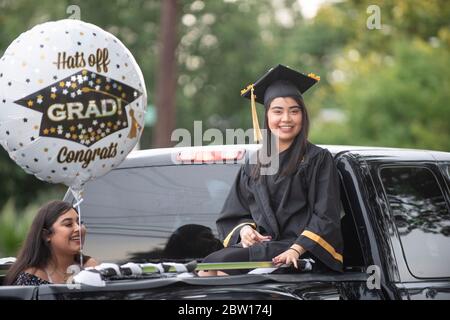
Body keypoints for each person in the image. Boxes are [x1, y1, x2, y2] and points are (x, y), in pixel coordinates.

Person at [199, 64, 343, 276]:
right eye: (278, 111)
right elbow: (236, 213)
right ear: (266, 116)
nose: (286, 119)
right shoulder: (254, 162)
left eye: (294, 111)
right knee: (209, 265)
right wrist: (246, 231)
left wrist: (296, 249)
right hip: (265, 248)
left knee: (222, 267)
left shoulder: (317, 159)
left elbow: (326, 216)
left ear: (303, 116)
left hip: (302, 251)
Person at [4, 200, 98, 285]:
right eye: (68, 224)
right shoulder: (33, 276)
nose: (78, 228)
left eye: (79, 222)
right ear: (46, 235)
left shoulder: (90, 266)